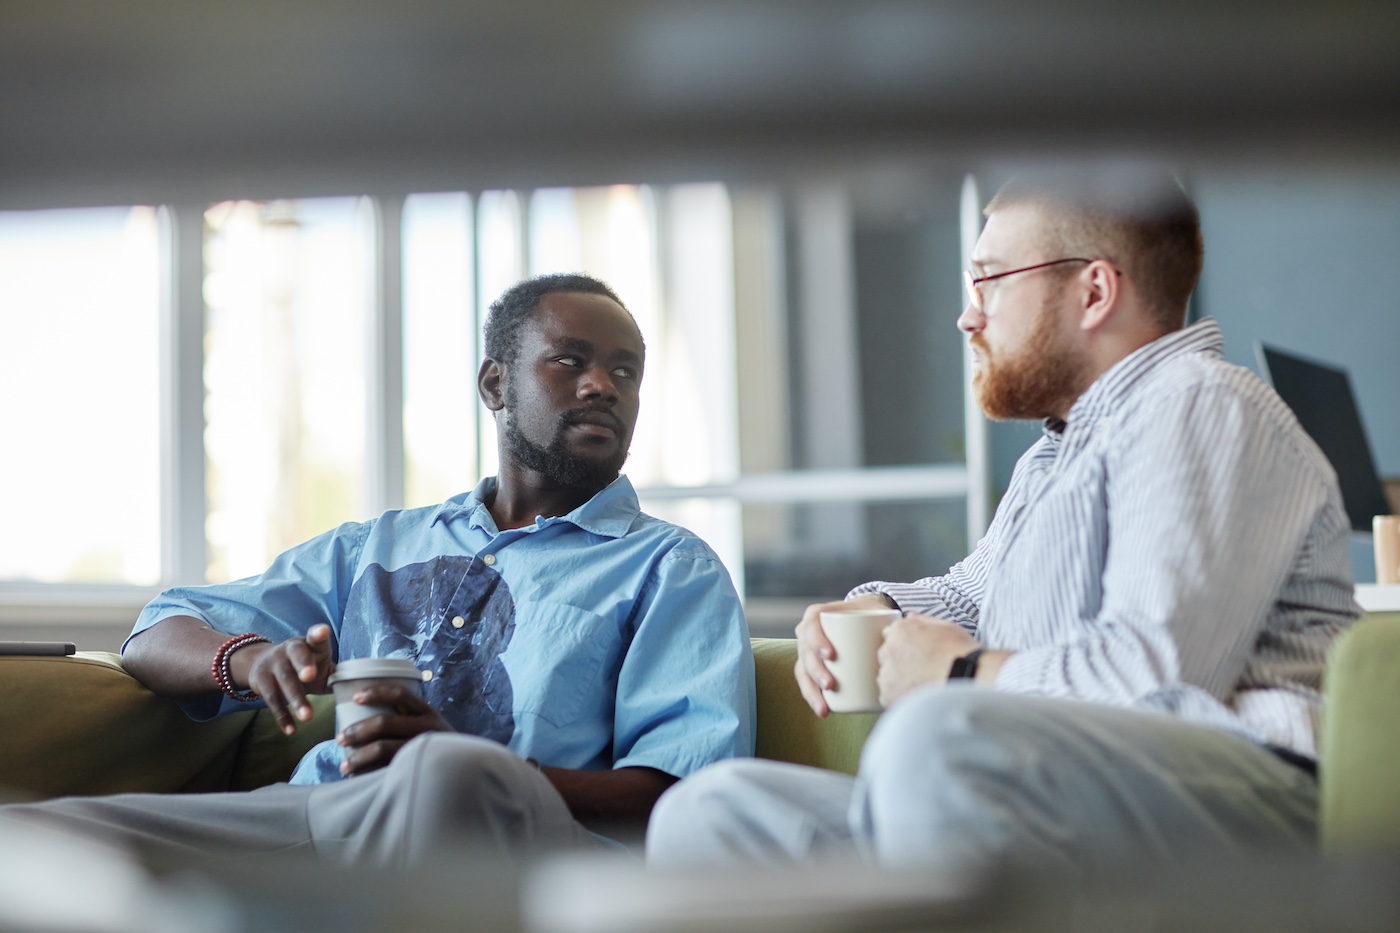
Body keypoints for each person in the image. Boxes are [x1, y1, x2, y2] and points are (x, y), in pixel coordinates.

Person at [646, 169, 1357, 877]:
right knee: (709, 812)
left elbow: (1155, 677)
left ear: (1095, 291)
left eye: (990, 279)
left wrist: (961, 672)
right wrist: (875, 609)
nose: (967, 314)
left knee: (930, 739)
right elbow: (971, 594)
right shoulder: (1056, 455)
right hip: (1060, 784)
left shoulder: (1198, 406)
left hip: (1243, 787)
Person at [3, 272, 755, 863]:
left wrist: (456, 760)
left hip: (518, 835)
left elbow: (682, 794)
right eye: (571, 361)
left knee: (452, 775)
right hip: (329, 812)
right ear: (496, 385)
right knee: (40, 840)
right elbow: (154, 633)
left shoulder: (669, 567)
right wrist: (255, 657)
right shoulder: (379, 546)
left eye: (625, 372)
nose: (603, 386)